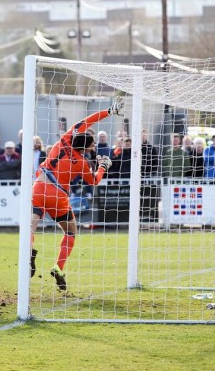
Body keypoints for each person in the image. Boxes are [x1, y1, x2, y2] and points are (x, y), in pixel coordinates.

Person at [31, 98, 122, 290]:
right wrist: (103, 166)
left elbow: (88, 120)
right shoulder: (82, 163)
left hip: (39, 187)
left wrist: (110, 111)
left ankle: (29, 252)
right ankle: (59, 267)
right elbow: (94, 181)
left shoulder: (64, 139)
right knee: (71, 231)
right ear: (87, 148)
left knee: (30, 227)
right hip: (58, 197)